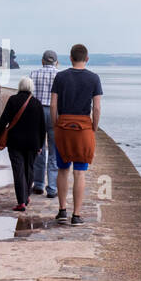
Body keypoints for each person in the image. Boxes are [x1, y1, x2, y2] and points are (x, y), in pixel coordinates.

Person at [50, 43, 102, 225]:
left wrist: (56, 124)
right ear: (86, 59)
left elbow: (54, 105)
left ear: (70, 58)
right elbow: (96, 107)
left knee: (63, 170)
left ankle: (62, 210)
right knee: (80, 173)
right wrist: (94, 127)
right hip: (83, 128)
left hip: (63, 127)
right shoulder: (94, 78)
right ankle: (76, 215)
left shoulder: (60, 77)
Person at [0, 77, 47, 211]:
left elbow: (3, 120)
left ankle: (21, 202)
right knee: (29, 169)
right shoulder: (37, 103)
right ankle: (26, 195)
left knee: (18, 171)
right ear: (31, 88)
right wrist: (40, 145)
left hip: (15, 142)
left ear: (20, 86)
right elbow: (42, 127)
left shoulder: (13, 100)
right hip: (32, 143)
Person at [29, 50, 60, 197]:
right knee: (54, 150)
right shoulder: (60, 76)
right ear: (56, 62)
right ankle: (52, 188)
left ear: (42, 61)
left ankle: (39, 184)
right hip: (55, 113)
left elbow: (29, 96)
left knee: (39, 149)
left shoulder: (33, 74)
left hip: (37, 112)